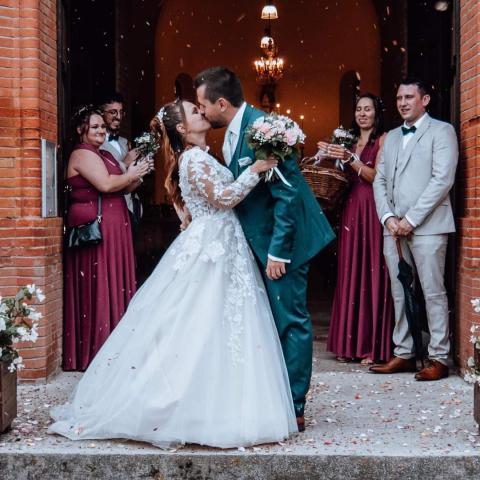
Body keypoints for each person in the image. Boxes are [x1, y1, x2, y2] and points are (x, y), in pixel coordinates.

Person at [50, 99, 298, 448]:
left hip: (220, 243)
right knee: (200, 322)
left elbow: (199, 202)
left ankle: (212, 402)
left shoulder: (198, 156)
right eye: (194, 112)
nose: (201, 112)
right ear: (182, 128)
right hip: (213, 245)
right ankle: (191, 406)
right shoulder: (195, 159)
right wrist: (255, 170)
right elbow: (224, 198)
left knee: (212, 323)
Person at [194, 67, 335, 431]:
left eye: (202, 105)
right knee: (268, 321)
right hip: (257, 240)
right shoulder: (229, 134)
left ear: (221, 103)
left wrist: (278, 253)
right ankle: (271, 396)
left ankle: (295, 405)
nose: (201, 112)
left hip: (284, 242)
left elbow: (287, 194)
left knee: (291, 320)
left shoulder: (264, 130)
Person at [371, 78, 458, 381]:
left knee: (433, 292)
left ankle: (438, 357)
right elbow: (380, 180)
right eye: (399, 98)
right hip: (393, 228)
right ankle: (404, 352)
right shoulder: (392, 137)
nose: (403, 103)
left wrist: (411, 219)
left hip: (429, 226)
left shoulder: (442, 132)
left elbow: (442, 180)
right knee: (399, 292)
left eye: (409, 97)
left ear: (426, 100)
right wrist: (388, 218)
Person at [63, 106, 151, 371]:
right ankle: (98, 349)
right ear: (82, 130)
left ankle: (116, 345)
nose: (101, 130)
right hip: (96, 229)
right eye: (95, 127)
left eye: (103, 127)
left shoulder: (104, 154)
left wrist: (138, 173)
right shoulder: (82, 153)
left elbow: (123, 184)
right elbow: (106, 185)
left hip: (114, 227)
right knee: (100, 284)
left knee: (115, 281)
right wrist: (129, 173)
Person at [320, 93, 394, 365]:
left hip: (373, 208)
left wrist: (351, 159)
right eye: (359, 109)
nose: (363, 114)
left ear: (377, 113)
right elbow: (338, 173)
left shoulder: (384, 139)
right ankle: (348, 343)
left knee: (374, 272)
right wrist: (327, 154)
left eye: (368, 109)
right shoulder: (348, 140)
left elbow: (377, 177)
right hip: (351, 207)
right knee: (351, 270)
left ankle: (372, 346)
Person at [99, 92, 143, 236]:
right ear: (101, 113)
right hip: (109, 210)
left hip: (130, 208)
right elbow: (104, 178)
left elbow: (130, 177)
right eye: (113, 112)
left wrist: (141, 168)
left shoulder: (124, 142)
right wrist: (125, 161)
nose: (118, 116)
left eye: (121, 112)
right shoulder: (96, 143)